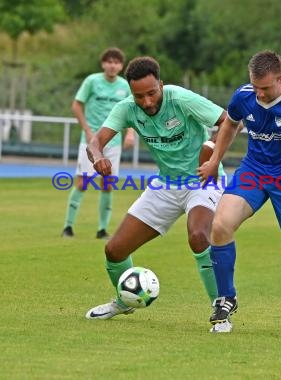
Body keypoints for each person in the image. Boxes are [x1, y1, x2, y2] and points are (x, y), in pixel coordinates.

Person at [197, 50, 281, 333]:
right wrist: (214, 161)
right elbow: (230, 125)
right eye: (255, 86)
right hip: (254, 172)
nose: (259, 94)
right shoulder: (244, 95)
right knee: (221, 225)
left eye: (265, 88)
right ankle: (226, 297)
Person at [84, 56, 229, 320]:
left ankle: (221, 308)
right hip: (165, 185)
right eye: (139, 96)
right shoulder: (127, 108)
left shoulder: (180, 98)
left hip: (203, 181)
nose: (147, 102)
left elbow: (228, 121)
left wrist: (212, 153)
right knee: (114, 251)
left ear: (161, 84)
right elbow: (95, 142)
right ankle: (124, 300)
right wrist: (98, 157)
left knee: (198, 236)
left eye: (152, 93)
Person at [61, 47, 135, 239]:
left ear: (121, 66)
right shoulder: (92, 81)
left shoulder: (125, 86)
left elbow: (132, 111)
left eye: (116, 62)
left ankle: (102, 229)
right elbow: (77, 105)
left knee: (108, 183)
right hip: (92, 142)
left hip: (114, 141)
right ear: (103, 64)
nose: (112, 65)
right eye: (109, 61)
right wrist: (87, 130)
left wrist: (130, 133)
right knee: (83, 181)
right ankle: (68, 227)